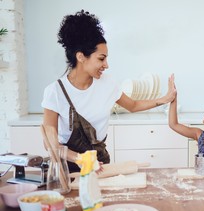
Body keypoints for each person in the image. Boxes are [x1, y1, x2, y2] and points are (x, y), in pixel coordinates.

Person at [41, 10, 175, 172]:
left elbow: (132, 105)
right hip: (68, 167)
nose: (106, 65)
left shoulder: (108, 83)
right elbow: (51, 144)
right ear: (81, 57)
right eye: (101, 58)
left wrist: (164, 99)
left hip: (100, 164)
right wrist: (80, 159)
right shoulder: (55, 92)